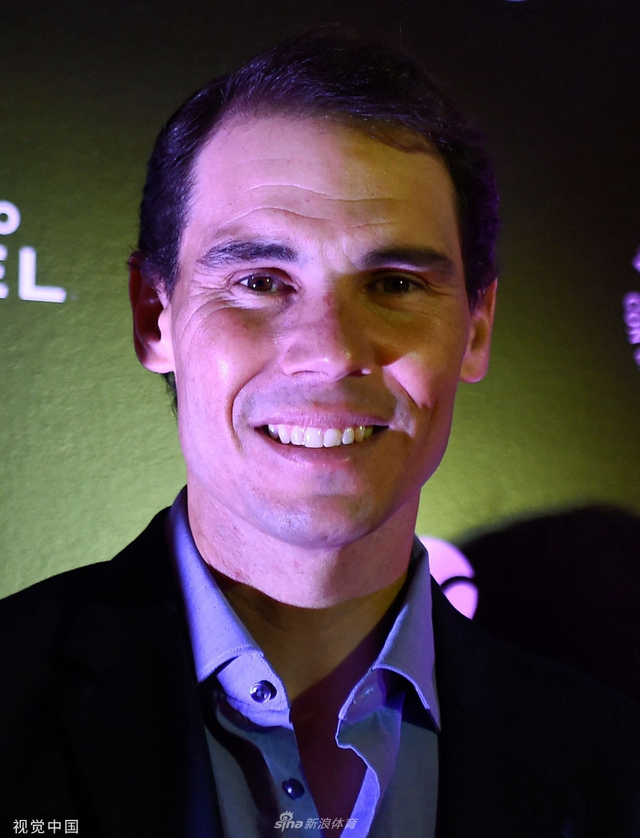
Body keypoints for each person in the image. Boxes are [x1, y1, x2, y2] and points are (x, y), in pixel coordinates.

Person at [1, 29, 639, 838]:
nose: (332, 352)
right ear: (154, 315)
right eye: (260, 281)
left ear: (476, 329)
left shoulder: (613, 765)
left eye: (394, 284)